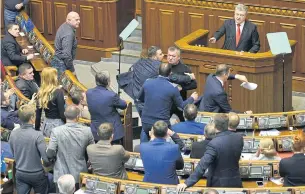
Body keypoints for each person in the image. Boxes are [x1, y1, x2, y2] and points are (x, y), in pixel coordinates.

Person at [177, 113, 244, 191]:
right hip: (236, 182)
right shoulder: (239, 138)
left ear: (215, 126)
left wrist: (187, 183)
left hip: (218, 185)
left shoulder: (214, 143)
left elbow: (203, 165)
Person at [138, 63, 198, 143]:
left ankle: (142, 151)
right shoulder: (173, 88)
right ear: (170, 73)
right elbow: (182, 106)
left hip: (146, 121)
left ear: (158, 71)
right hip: (162, 124)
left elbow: (140, 98)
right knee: (171, 139)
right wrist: (192, 98)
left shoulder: (147, 83)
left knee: (145, 131)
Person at [46, 105, 94, 190]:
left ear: (64, 114)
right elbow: (92, 152)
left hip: (61, 176)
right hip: (79, 175)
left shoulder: (56, 131)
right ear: (78, 116)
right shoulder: (87, 131)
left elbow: (50, 153)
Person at [9, 104, 51, 194]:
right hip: (37, 174)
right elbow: (45, 158)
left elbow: (14, 153)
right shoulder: (38, 135)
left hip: (20, 173)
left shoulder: (13, 134)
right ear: (32, 118)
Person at [118, 46, 164, 117]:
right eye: (160, 54)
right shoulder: (160, 66)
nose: (163, 55)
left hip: (138, 99)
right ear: (154, 57)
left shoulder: (138, 63)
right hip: (151, 102)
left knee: (144, 122)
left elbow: (130, 73)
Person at [86, 71, 127, 144]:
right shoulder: (111, 95)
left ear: (96, 81)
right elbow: (124, 105)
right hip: (112, 132)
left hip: (96, 130)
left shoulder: (89, 93)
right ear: (108, 82)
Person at [167, 46, 197, 121]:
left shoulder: (184, 68)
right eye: (169, 55)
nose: (170, 58)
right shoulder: (165, 67)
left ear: (178, 57)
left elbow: (194, 84)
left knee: (184, 121)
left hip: (180, 102)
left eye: (173, 56)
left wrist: (182, 88)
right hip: (168, 102)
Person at [35, 67, 66, 137]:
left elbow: (38, 115)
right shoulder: (59, 92)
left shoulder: (40, 92)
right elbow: (62, 114)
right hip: (58, 126)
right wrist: (68, 124)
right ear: (53, 78)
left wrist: (36, 130)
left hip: (46, 125)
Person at [51, 12, 80, 78]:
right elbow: (66, 55)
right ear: (68, 20)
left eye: (79, 19)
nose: (79, 21)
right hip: (61, 65)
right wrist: (72, 70)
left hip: (58, 61)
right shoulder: (68, 34)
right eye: (76, 20)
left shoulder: (65, 25)